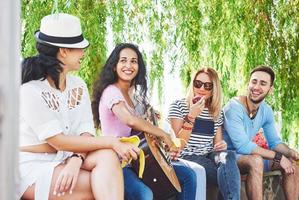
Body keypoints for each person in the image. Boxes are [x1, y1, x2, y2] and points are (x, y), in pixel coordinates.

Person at [19, 13, 140, 200]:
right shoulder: (30, 91)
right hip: (33, 167)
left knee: (108, 157)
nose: (83, 53)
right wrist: (112, 141)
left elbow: (86, 132)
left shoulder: (78, 85)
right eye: (79, 48)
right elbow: (58, 141)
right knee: (99, 184)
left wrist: (76, 160)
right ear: (64, 51)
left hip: (67, 156)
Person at [92, 43, 197, 200]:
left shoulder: (135, 97)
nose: (129, 65)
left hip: (141, 161)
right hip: (120, 163)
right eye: (123, 61)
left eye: (134, 61)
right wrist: (162, 135)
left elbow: (142, 132)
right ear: (114, 66)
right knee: (145, 194)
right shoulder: (111, 92)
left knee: (188, 176)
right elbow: (130, 120)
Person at [223, 65, 299, 200]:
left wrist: (290, 152)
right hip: (228, 158)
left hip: (249, 157)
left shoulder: (266, 111)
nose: (256, 87)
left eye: (263, 83)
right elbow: (243, 146)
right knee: (256, 161)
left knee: (292, 165)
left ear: (270, 90)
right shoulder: (233, 107)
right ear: (248, 83)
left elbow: (275, 143)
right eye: (254, 81)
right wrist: (278, 157)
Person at [168, 67, 241, 200]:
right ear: (192, 84)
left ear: (214, 90)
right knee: (228, 177)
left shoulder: (216, 112)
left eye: (207, 86)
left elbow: (217, 145)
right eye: (198, 83)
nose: (201, 89)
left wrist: (222, 145)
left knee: (228, 155)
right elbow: (176, 145)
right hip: (186, 156)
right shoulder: (179, 106)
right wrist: (191, 116)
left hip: (208, 154)